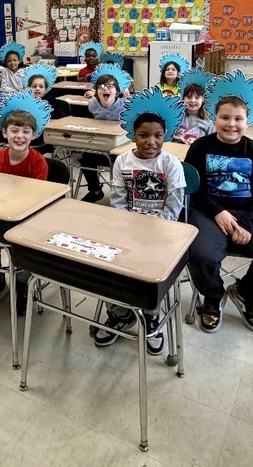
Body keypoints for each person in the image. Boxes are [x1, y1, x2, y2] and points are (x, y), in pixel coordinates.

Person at [185, 72, 253, 335]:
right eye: (224, 117)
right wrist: (218, 212)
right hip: (209, 212)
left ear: (249, 121)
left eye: (238, 119)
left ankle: (244, 294)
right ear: (213, 117)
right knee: (200, 255)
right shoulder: (200, 147)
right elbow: (193, 187)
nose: (231, 124)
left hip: (250, 214)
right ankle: (212, 297)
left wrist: (247, 222)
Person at [95, 88, 186, 355]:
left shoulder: (171, 164)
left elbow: (175, 204)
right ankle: (120, 312)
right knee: (111, 262)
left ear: (165, 136)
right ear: (133, 136)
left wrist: (155, 230)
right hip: (128, 227)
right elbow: (118, 199)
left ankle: (151, 315)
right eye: (143, 135)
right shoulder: (122, 161)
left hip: (163, 230)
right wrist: (128, 228)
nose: (151, 142)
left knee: (152, 269)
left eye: (157, 136)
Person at [0, 92, 52, 315]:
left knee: (25, 243)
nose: (20, 136)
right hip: (2, 212)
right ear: (4, 133)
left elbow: (36, 198)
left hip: (29, 217)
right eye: (14, 131)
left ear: (34, 135)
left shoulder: (38, 162)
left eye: (26, 132)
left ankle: (21, 283)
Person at [80, 64, 132, 203]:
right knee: (85, 159)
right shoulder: (93, 104)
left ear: (117, 92)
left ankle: (124, 195)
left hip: (121, 148)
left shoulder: (125, 105)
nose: (105, 89)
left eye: (110, 86)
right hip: (101, 145)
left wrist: (129, 98)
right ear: (96, 92)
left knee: (122, 164)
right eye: (101, 87)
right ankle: (95, 190)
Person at [171, 68, 215, 145]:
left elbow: (213, 143)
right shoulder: (177, 118)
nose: (193, 100)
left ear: (203, 100)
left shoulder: (208, 122)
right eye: (189, 97)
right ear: (183, 99)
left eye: (197, 97)